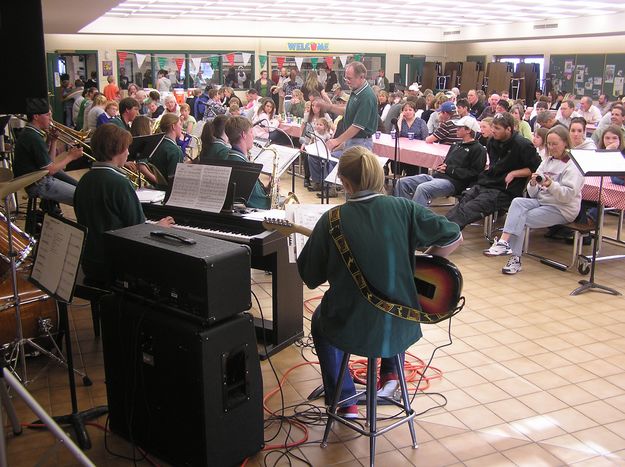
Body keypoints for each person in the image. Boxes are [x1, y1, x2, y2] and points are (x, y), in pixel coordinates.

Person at [297, 146, 461, 417]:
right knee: (389, 303)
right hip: (402, 323)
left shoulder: (332, 219)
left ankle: (345, 401)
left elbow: (310, 277)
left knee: (319, 322)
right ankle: (391, 374)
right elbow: (454, 238)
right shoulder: (405, 208)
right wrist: (423, 266)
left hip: (349, 326)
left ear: (345, 183)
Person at [74, 124, 174, 284]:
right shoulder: (119, 183)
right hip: (115, 263)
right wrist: (158, 227)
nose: (128, 152)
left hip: (90, 260)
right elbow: (138, 229)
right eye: (126, 148)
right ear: (116, 150)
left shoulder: (84, 180)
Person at [483, 126, 584, 274]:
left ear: (565, 143)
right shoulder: (547, 161)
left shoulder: (572, 165)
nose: (551, 147)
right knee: (517, 202)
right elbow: (533, 194)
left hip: (562, 208)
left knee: (521, 219)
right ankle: (504, 242)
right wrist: (533, 183)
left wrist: (550, 184)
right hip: (544, 202)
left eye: (555, 144)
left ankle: (515, 259)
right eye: (548, 143)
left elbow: (567, 196)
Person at [445, 112, 541, 229]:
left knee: (471, 208)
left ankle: (444, 233)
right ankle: (441, 230)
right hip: (488, 182)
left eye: (497, 128)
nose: (493, 130)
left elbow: (536, 168)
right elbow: (494, 165)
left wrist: (514, 173)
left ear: (508, 129)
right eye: (493, 127)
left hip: (505, 189)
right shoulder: (492, 141)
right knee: (463, 202)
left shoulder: (523, 145)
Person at [394, 116, 486, 206]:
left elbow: (474, 174)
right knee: (401, 182)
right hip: (437, 177)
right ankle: (404, 211)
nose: (456, 129)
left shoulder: (478, 149)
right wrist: (442, 167)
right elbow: (446, 164)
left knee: (423, 189)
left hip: (454, 183)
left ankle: (414, 218)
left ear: (468, 130)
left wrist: (449, 169)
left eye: (459, 127)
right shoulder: (456, 145)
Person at [13, 108, 83, 206]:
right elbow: (50, 170)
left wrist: (53, 141)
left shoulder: (31, 133)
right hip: (38, 184)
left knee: (79, 187)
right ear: (36, 116)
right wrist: (70, 157)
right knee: (82, 198)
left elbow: (50, 161)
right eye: (48, 115)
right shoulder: (33, 137)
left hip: (39, 178)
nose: (51, 119)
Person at [316, 61, 378, 152]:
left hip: (360, 142)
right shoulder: (356, 90)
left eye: (350, 78)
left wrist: (336, 141)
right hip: (353, 140)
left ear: (361, 77)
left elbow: (357, 126)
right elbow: (347, 111)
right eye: (346, 78)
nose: (347, 82)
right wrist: (328, 106)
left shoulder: (366, 96)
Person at [223, 116, 270, 209]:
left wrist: (268, 188)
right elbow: (260, 203)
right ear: (244, 135)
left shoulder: (230, 158)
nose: (254, 136)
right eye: (251, 132)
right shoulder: (243, 166)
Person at [141, 113, 184, 189]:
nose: (182, 128)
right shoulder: (175, 151)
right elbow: (174, 180)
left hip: (153, 189)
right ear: (173, 126)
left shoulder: (155, 144)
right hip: (166, 192)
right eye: (180, 124)